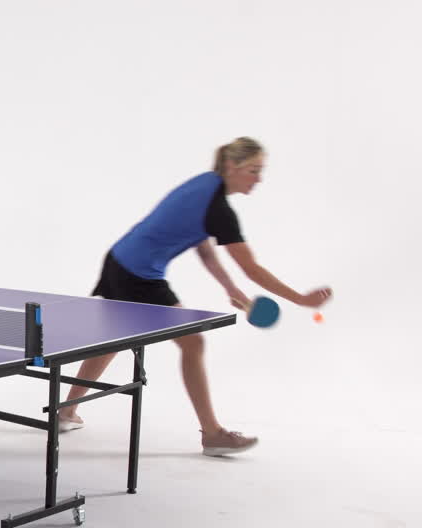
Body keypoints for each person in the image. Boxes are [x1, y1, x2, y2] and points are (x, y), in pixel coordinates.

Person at [57, 137, 332, 456]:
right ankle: (213, 434)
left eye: (261, 171)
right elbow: (251, 267)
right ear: (232, 166)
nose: (259, 179)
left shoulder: (206, 185)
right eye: (254, 170)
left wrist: (229, 289)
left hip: (119, 260)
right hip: (138, 274)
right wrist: (301, 299)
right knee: (193, 342)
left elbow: (202, 245)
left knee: (114, 340)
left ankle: (67, 411)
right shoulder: (219, 209)